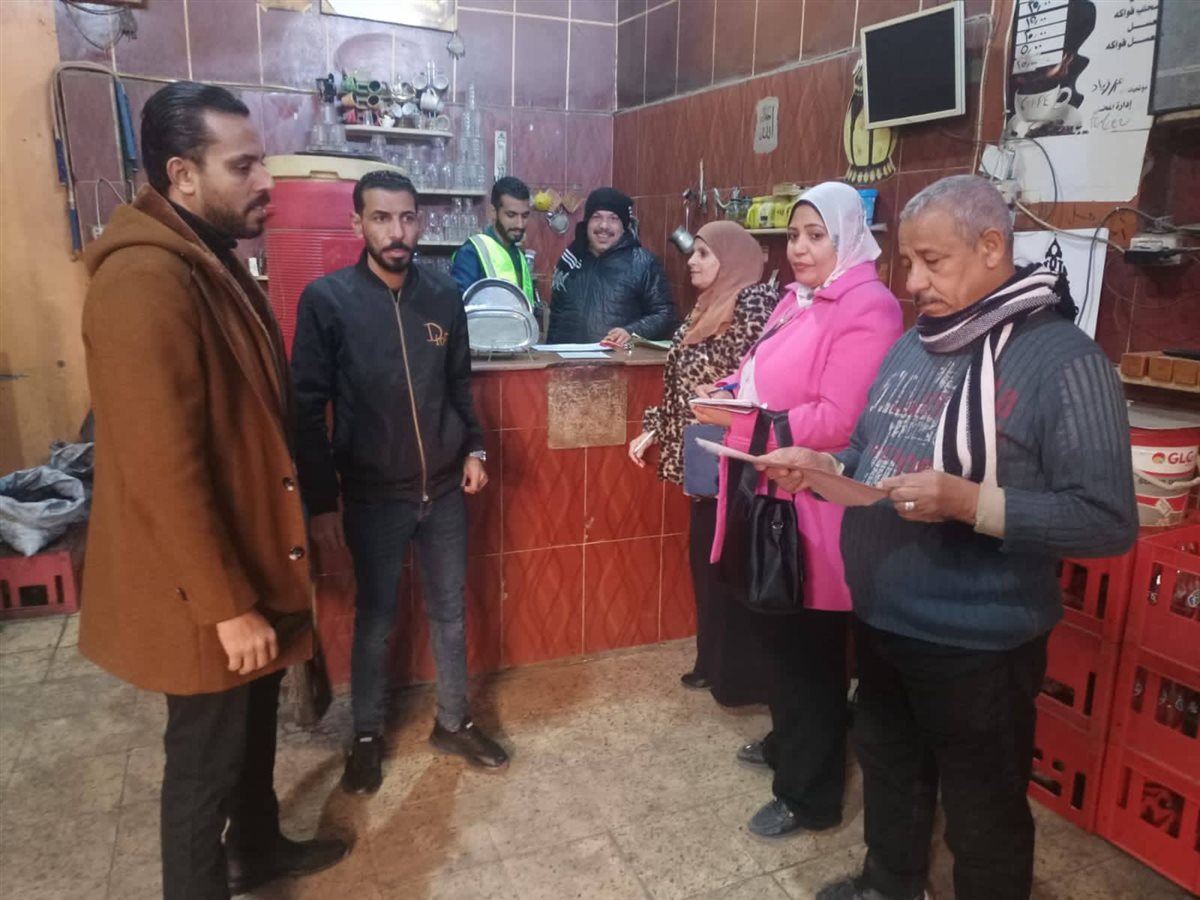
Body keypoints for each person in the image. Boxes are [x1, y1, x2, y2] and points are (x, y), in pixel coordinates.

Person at [758, 175, 1138, 900]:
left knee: (982, 809)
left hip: (978, 640)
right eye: (908, 262)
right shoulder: (914, 346)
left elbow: (1107, 519)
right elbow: (871, 449)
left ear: (992, 246)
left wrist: (972, 504)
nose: (912, 283)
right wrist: (827, 466)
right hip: (884, 617)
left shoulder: (1065, 362)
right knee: (890, 767)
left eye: (932, 261)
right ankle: (890, 883)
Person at [79, 81, 347, 899]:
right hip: (200, 583)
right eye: (244, 165)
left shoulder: (208, 258)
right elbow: (161, 465)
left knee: (252, 728)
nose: (266, 180)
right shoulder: (144, 280)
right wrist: (227, 605)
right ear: (182, 175)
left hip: (246, 556)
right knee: (203, 764)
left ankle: (257, 849)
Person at [694, 182, 903, 839]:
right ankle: (790, 741)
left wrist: (748, 423)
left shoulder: (869, 307)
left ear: (848, 238)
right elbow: (758, 372)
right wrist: (725, 391)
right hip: (769, 489)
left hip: (814, 505)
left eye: (817, 236)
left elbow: (841, 418)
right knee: (777, 635)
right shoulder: (797, 299)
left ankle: (809, 796)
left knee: (807, 650)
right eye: (794, 235)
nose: (801, 248)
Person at [291, 170, 509, 796]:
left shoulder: (443, 296)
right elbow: (305, 408)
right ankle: (365, 736)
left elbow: (458, 385)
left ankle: (453, 722)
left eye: (407, 218)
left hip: (443, 490)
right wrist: (322, 502)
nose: (397, 232)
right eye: (382, 218)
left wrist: (474, 447)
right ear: (357, 223)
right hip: (372, 495)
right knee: (376, 620)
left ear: (420, 221)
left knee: (449, 612)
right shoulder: (328, 301)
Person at [629, 221, 779, 703]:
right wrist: (656, 426)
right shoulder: (707, 304)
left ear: (732, 259)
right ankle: (711, 661)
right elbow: (681, 384)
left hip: (732, 458)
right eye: (693, 252)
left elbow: (755, 383)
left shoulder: (752, 305)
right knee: (706, 562)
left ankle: (737, 674)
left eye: (704, 254)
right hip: (701, 455)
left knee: (727, 565)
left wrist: (719, 397)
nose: (692, 261)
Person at [546, 186, 675, 345]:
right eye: (596, 217)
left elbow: (664, 314)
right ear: (587, 222)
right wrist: (549, 352)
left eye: (613, 218)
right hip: (564, 358)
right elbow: (556, 314)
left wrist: (631, 331)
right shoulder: (570, 259)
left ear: (624, 226)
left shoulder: (643, 263)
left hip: (616, 359)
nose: (604, 226)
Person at [450, 175, 534, 305]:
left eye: (525, 216)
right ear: (493, 212)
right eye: (511, 215)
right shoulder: (472, 252)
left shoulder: (519, 254)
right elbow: (457, 307)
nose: (520, 224)